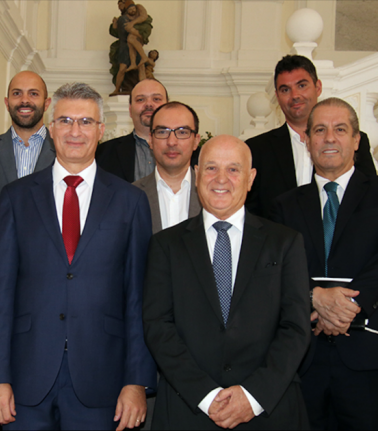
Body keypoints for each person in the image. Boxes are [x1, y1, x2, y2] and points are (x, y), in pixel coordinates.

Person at [0, 83, 156, 430]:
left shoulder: (130, 201)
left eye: (86, 122)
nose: (75, 131)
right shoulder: (16, 198)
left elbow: (138, 298)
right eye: (66, 120)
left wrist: (136, 381)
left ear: (101, 130)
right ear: (51, 128)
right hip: (25, 377)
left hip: (101, 377)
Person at [143, 135, 311, 429]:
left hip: (268, 409)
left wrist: (253, 396)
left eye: (234, 169)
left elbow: (295, 328)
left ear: (251, 178)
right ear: (197, 175)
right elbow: (158, 326)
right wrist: (206, 396)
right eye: (210, 168)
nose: (221, 179)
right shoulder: (165, 245)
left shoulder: (285, 242)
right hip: (189, 410)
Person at [271, 98, 378, 430]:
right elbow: (275, 265)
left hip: (371, 352)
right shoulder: (284, 205)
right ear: (308, 141)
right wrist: (314, 297)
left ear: (356, 140)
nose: (329, 138)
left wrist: (348, 305)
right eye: (319, 130)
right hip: (302, 355)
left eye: (340, 129)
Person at [246, 55, 376, 219]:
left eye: (302, 85)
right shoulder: (256, 149)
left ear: (318, 87)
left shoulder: (350, 142)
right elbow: (250, 214)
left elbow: (370, 198)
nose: (295, 96)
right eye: (285, 90)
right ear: (277, 97)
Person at [0, 71, 55, 209]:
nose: (24, 100)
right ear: (7, 103)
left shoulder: (63, 151)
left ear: (46, 104)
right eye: (17, 93)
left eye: (33, 94)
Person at [133, 102, 202, 234]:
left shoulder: (213, 194)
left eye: (182, 132)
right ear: (151, 140)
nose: (171, 142)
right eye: (162, 132)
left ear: (196, 141)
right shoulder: (129, 196)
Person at [97, 78, 169, 182]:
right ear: (130, 110)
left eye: (156, 99)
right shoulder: (103, 153)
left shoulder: (191, 153)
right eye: (140, 99)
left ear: (168, 106)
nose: (149, 104)